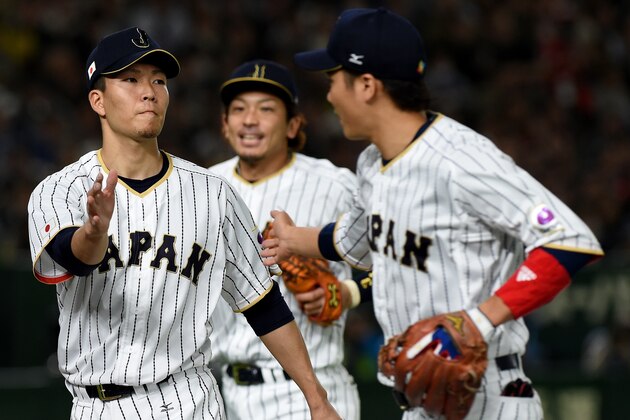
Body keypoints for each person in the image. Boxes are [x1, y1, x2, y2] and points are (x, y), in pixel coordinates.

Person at [260, 7, 604, 420]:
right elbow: (356, 239)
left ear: (366, 85)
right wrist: (292, 239)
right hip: (421, 402)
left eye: (334, 79)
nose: (330, 94)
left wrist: (477, 322)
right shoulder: (371, 163)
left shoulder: (460, 159)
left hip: (488, 395)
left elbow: (570, 242)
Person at [26, 27, 340, 420]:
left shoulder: (213, 192)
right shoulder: (60, 190)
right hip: (98, 405)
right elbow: (74, 259)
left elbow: (263, 304)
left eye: (158, 80)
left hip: (189, 399)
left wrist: (317, 398)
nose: (149, 91)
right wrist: (94, 231)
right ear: (98, 100)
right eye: (130, 80)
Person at [208, 59, 365, 419]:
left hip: (311, 392)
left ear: (293, 124)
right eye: (238, 109)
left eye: (266, 109)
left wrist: (350, 293)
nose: (250, 120)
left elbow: (389, 257)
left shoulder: (335, 184)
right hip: (224, 394)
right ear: (225, 125)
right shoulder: (201, 188)